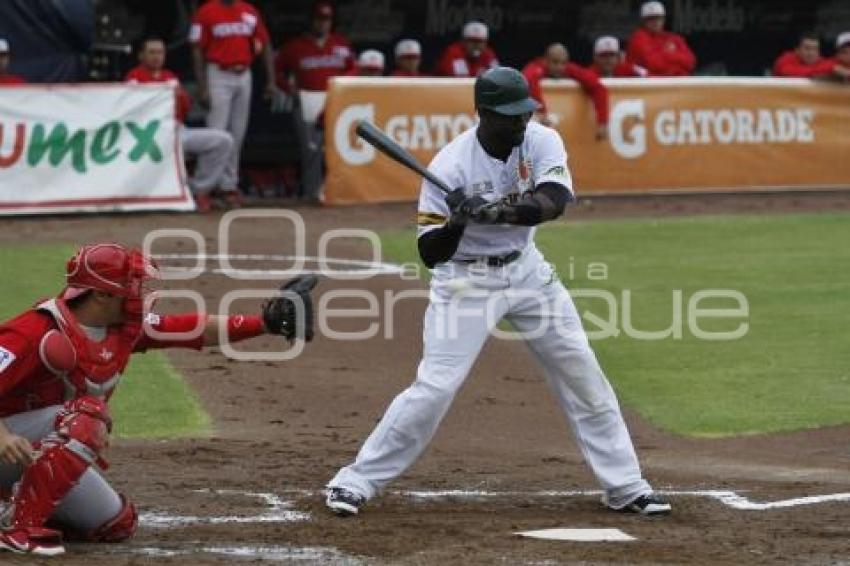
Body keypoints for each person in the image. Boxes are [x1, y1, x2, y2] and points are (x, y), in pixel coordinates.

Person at [325, 67, 671, 519]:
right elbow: (431, 253)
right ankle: (355, 481)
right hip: (466, 283)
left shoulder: (541, 140)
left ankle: (626, 485)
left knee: (582, 373)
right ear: (484, 114)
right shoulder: (448, 167)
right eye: (510, 116)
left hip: (528, 273)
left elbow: (552, 202)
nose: (520, 123)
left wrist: (497, 211)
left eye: (524, 113)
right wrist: (459, 222)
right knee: (435, 387)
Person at [0, 243, 317, 555]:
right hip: (8, 444)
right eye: (131, 285)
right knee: (86, 417)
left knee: (115, 525)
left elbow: (190, 329)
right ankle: (18, 527)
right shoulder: (33, 332)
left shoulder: (121, 329)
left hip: (28, 454)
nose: (138, 293)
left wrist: (265, 323)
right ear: (101, 294)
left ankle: (8, 504)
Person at [125, 38, 234, 213]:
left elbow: (184, 111)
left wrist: (180, 96)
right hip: (146, 136)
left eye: (160, 52)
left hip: (176, 130)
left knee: (223, 140)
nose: (156, 57)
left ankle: (198, 190)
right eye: (151, 52)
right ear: (141, 56)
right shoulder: (134, 78)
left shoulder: (170, 77)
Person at [189, 0, 276, 207]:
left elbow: (264, 44)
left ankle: (228, 186)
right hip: (218, 72)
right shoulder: (206, 12)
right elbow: (196, 50)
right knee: (216, 134)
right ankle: (204, 188)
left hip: (244, 73)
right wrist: (202, 86)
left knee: (237, 133)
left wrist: (271, 80)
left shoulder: (248, 10)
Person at [276, 1, 355, 202]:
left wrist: (343, 86)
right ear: (311, 21)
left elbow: (354, 68)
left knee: (339, 147)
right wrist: (289, 88)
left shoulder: (341, 45)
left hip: (335, 100)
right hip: (308, 99)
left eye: (326, 20)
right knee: (311, 149)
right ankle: (313, 193)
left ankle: (338, 191)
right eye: (319, 20)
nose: (323, 24)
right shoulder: (295, 46)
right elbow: (276, 70)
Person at [522, 43, 609, 138]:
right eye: (555, 62)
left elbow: (598, 87)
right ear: (545, 60)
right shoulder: (535, 67)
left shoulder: (568, 68)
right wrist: (542, 112)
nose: (560, 67)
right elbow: (528, 81)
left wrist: (603, 122)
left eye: (563, 63)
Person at [626, 1, 695, 77]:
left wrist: (664, 56)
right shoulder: (638, 38)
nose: (656, 22)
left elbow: (690, 62)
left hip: (673, 83)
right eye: (651, 19)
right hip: (645, 85)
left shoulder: (674, 38)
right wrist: (673, 57)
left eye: (659, 18)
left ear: (664, 19)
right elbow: (653, 64)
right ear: (643, 21)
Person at [772, 32, 850, 79]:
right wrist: (830, 69)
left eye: (815, 49)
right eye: (807, 48)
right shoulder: (786, 59)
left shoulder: (824, 62)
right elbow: (788, 72)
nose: (811, 53)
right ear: (797, 50)